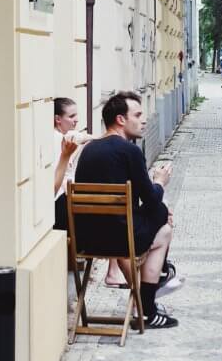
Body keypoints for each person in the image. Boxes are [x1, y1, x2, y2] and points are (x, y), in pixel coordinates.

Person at [74, 91, 179, 330]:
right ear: (121, 119)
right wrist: (160, 181)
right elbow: (150, 199)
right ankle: (150, 305)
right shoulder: (129, 151)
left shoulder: (89, 150)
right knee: (162, 219)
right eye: (138, 115)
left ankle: (161, 279)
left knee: (160, 218)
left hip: (86, 241)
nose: (144, 120)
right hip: (122, 241)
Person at [53, 98, 94, 232]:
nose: (76, 120)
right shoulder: (57, 138)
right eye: (71, 116)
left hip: (64, 198)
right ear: (58, 119)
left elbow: (81, 137)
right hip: (60, 202)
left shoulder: (64, 136)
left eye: (76, 115)